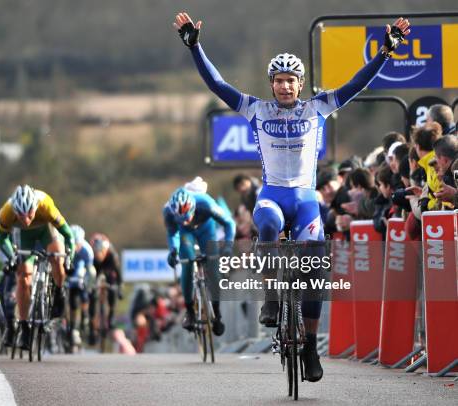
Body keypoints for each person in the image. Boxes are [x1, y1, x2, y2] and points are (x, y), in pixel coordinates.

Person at [173, 11, 410, 382]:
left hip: (304, 200)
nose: (285, 87)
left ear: (301, 84)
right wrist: (195, 48)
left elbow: (356, 84)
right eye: (279, 81)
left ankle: (311, 346)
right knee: (265, 220)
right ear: (271, 84)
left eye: (291, 81)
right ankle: (270, 298)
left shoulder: (317, 108)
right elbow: (217, 84)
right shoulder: (256, 109)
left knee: (313, 271)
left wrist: (384, 53)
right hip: (272, 195)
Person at [0, 185, 75, 350]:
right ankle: (24, 327)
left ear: (35, 207)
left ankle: (59, 292)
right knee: (23, 279)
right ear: (14, 211)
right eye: (20, 215)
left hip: (46, 231)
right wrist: (12, 257)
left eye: (29, 213)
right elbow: (1, 239)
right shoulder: (6, 212)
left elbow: (68, 234)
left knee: (57, 260)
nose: (26, 219)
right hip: (24, 237)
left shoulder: (45, 204)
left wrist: (69, 257)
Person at [163, 186, 236, 336]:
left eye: (187, 217)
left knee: (214, 271)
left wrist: (228, 246)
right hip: (186, 235)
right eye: (180, 219)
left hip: (206, 229)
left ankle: (217, 312)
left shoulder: (206, 204)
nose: (185, 221)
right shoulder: (168, 212)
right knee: (187, 265)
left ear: (193, 207)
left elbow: (229, 223)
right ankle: (190, 312)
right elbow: (172, 234)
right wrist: (173, 251)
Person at [67, 225, 96, 347]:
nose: (76, 248)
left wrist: (88, 285)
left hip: (81, 272)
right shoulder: (65, 246)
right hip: (68, 271)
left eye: (78, 244)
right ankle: (72, 326)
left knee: (83, 294)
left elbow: (91, 271)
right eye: (74, 244)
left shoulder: (87, 250)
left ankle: (84, 315)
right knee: (72, 301)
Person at [90, 233, 123, 335]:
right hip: (96, 269)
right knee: (92, 293)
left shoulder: (112, 256)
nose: (98, 255)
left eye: (100, 253)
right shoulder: (92, 257)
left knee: (112, 286)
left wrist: (119, 288)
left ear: (105, 251)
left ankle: (111, 316)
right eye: (96, 253)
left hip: (109, 269)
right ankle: (91, 323)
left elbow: (118, 274)